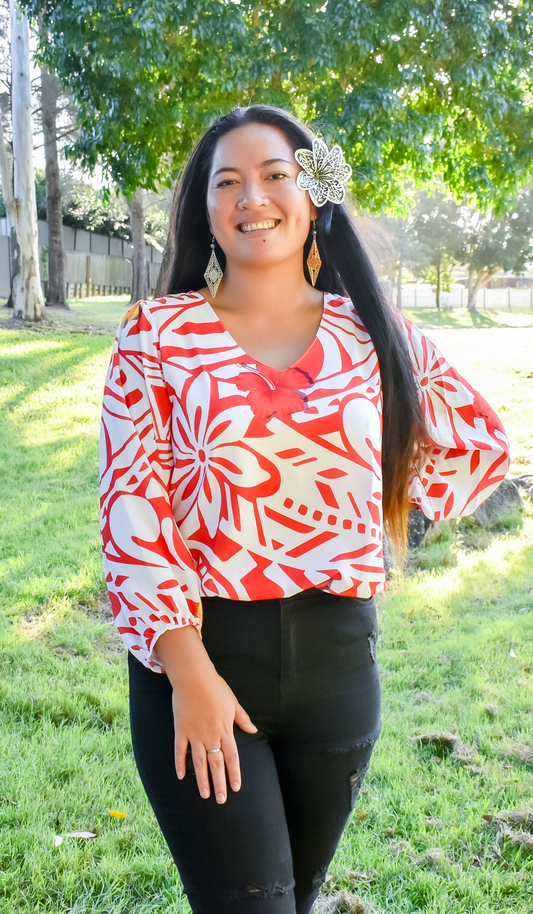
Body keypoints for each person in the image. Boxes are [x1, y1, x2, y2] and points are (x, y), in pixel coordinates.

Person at [100, 105, 510, 914]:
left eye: (276, 174)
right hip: (203, 666)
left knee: (296, 900)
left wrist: (391, 523)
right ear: (205, 211)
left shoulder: (374, 334)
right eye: (228, 182)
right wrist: (190, 675)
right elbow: (132, 511)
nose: (253, 196)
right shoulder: (156, 337)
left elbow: (479, 443)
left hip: (338, 670)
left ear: (313, 194)